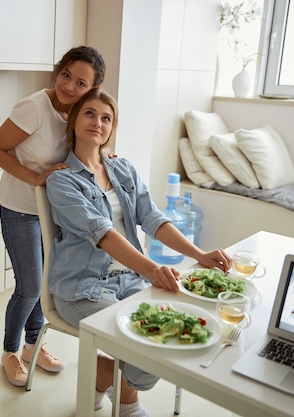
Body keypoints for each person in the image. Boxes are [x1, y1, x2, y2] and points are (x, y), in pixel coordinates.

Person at [45, 88, 231, 416]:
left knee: (171, 337)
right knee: (146, 347)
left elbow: (153, 219)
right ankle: (125, 398)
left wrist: (199, 255)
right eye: (89, 113)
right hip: (81, 289)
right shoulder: (61, 180)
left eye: (107, 118)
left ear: (112, 128)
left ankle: (103, 375)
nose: (97, 122)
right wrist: (152, 269)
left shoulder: (123, 169)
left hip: (129, 281)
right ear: (74, 120)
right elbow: (102, 233)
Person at [0, 46, 107, 387]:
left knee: (47, 285)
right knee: (28, 287)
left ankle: (32, 346)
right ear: (58, 71)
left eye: (80, 83)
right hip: (20, 207)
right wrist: (35, 178)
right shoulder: (34, 107)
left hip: (52, 210)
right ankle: (10, 352)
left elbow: (81, 149)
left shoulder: (78, 112)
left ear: (91, 89)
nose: (69, 86)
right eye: (66, 75)